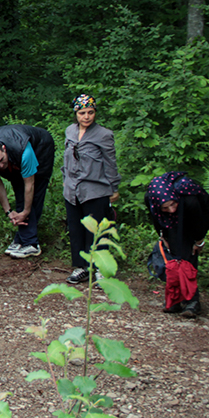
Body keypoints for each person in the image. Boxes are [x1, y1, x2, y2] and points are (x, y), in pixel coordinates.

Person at [62, 95, 119, 284]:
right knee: (76, 229)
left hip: (95, 189)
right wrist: (65, 180)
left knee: (96, 230)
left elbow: (110, 163)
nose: (86, 117)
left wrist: (114, 188)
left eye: (90, 112)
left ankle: (100, 268)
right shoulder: (70, 131)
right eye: (82, 113)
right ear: (75, 114)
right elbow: (66, 159)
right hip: (72, 190)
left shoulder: (103, 134)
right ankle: (81, 267)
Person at [0, 125, 55, 259]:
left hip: (41, 148)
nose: (1, 166)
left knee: (35, 193)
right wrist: (8, 211)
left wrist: (25, 212)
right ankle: (22, 239)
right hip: (14, 156)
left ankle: (31, 243)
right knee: (19, 190)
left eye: (1, 160)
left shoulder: (24, 152)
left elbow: (29, 185)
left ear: (4, 149)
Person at [145, 172, 209, 318]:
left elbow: (200, 221)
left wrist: (199, 241)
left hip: (194, 218)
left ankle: (192, 302)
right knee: (172, 261)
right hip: (171, 223)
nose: (171, 209)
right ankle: (175, 299)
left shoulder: (189, 199)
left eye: (172, 205)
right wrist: (163, 236)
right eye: (166, 207)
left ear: (175, 199)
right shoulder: (151, 198)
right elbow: (156, 218)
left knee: (187, 259)